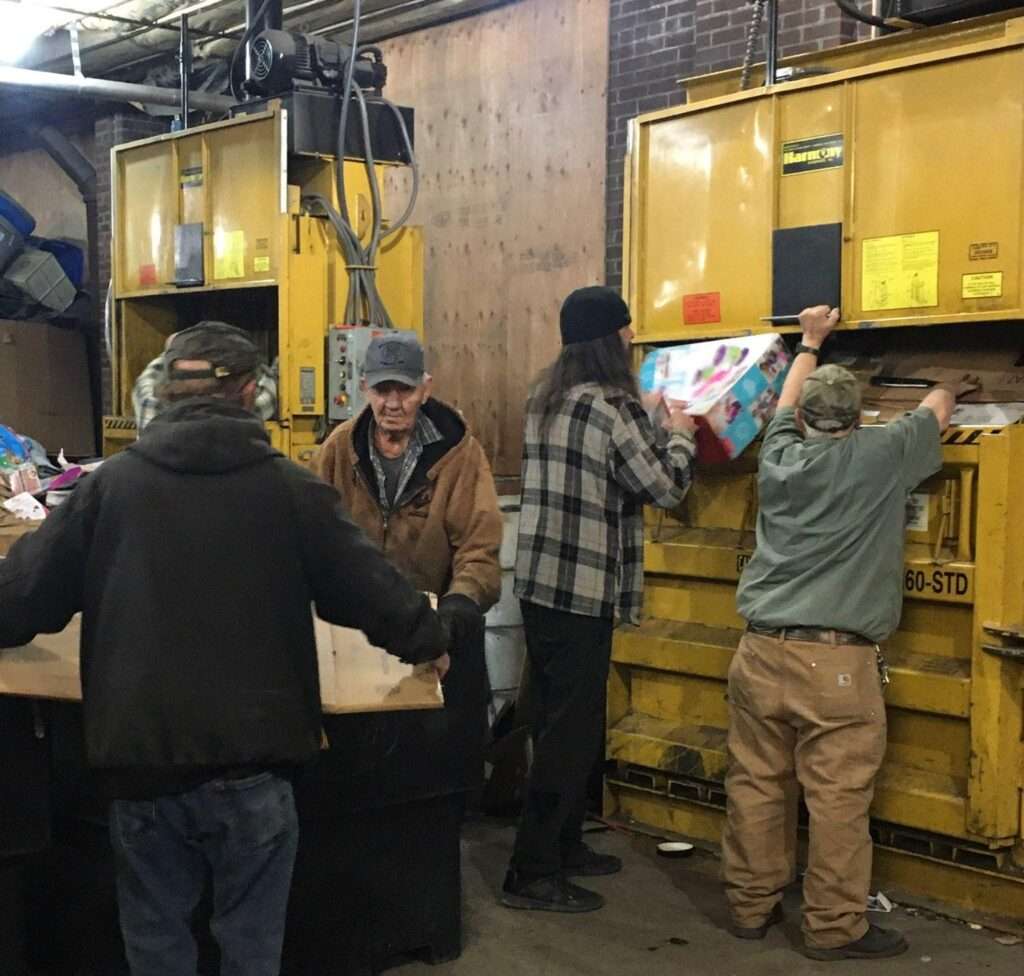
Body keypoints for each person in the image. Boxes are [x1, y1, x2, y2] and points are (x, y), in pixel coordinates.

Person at [0, 320, 449, 976]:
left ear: (162, 393)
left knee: (157, 948)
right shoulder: (292, 491)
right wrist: (431, 638)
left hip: (142, 769)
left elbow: (22, 599)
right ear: (252, 396)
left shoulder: (108, 489)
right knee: (250, 948)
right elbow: (370, 591)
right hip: (255, 773)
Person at [724, 305, 957, 961]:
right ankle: (833, 928)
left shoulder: (777, 455)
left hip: (759, 653)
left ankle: (749, 906)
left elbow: (789, 398)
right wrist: (951, 384)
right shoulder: (883, 452)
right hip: (836, 667)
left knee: (757, 786)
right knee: (837, 802)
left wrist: (810, 343)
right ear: (856, 420)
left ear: (801, 421)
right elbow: (936, 411)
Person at [503, 285, 697, 913]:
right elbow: (662, 487)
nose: (634, 340)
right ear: (612, 340)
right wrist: (680, 433)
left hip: (540, 585)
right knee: (570, 736)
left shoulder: (545, 396)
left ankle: (564, 851)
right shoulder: (615, 407)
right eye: (628, 331)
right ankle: (531, 872)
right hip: (583, 591)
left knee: (563, 725)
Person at [313, 331, 502, 664]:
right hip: (357, 638)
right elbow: (314, 537)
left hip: (441, 638)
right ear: (364, 388)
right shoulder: (337, 451)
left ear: (426, 389)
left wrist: (453, 615)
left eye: (406, 390)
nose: (393, 403)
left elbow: (479, 550)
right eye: (382, 390)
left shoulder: (461, 456)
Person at [133, 330, 278, 433]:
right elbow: (268, 389)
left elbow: (147, 380)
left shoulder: (152, 404)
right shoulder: (250, 403)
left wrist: (172, 351)